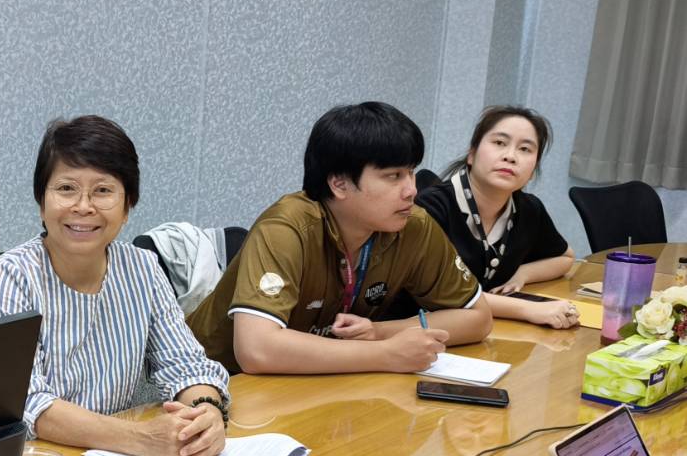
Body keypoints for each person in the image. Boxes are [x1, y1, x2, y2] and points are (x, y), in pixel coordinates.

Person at [0, 115, 230, 456]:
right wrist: (141, 439)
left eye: (103, 191)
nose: (83, 206)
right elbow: (24, 402)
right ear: (41, 202)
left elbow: (186, 364)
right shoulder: (10, 277)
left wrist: (206, 412)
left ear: (127, 208)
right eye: (66, 188)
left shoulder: (142, 269)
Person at [187, 102, 492, 374]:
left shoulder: (413, 225)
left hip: (321, 377)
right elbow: (256, 350)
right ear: (339, 184)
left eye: (411, 172)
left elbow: (478, 318)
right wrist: (385, 354)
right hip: (214, 384)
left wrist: (380, 333)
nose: (411, 190)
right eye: (393, 176)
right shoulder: (286, 227)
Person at [416, 106, 578, 329]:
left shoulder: (529, 208)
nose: (510, 156)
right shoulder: (431, 206)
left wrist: (522, 274)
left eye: (525, 149)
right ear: (472, 154)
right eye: (500, 143)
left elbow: (565, 258)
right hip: (427, 330)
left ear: (533, 170)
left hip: (489, 329)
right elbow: (444, 293)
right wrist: (530, 310)